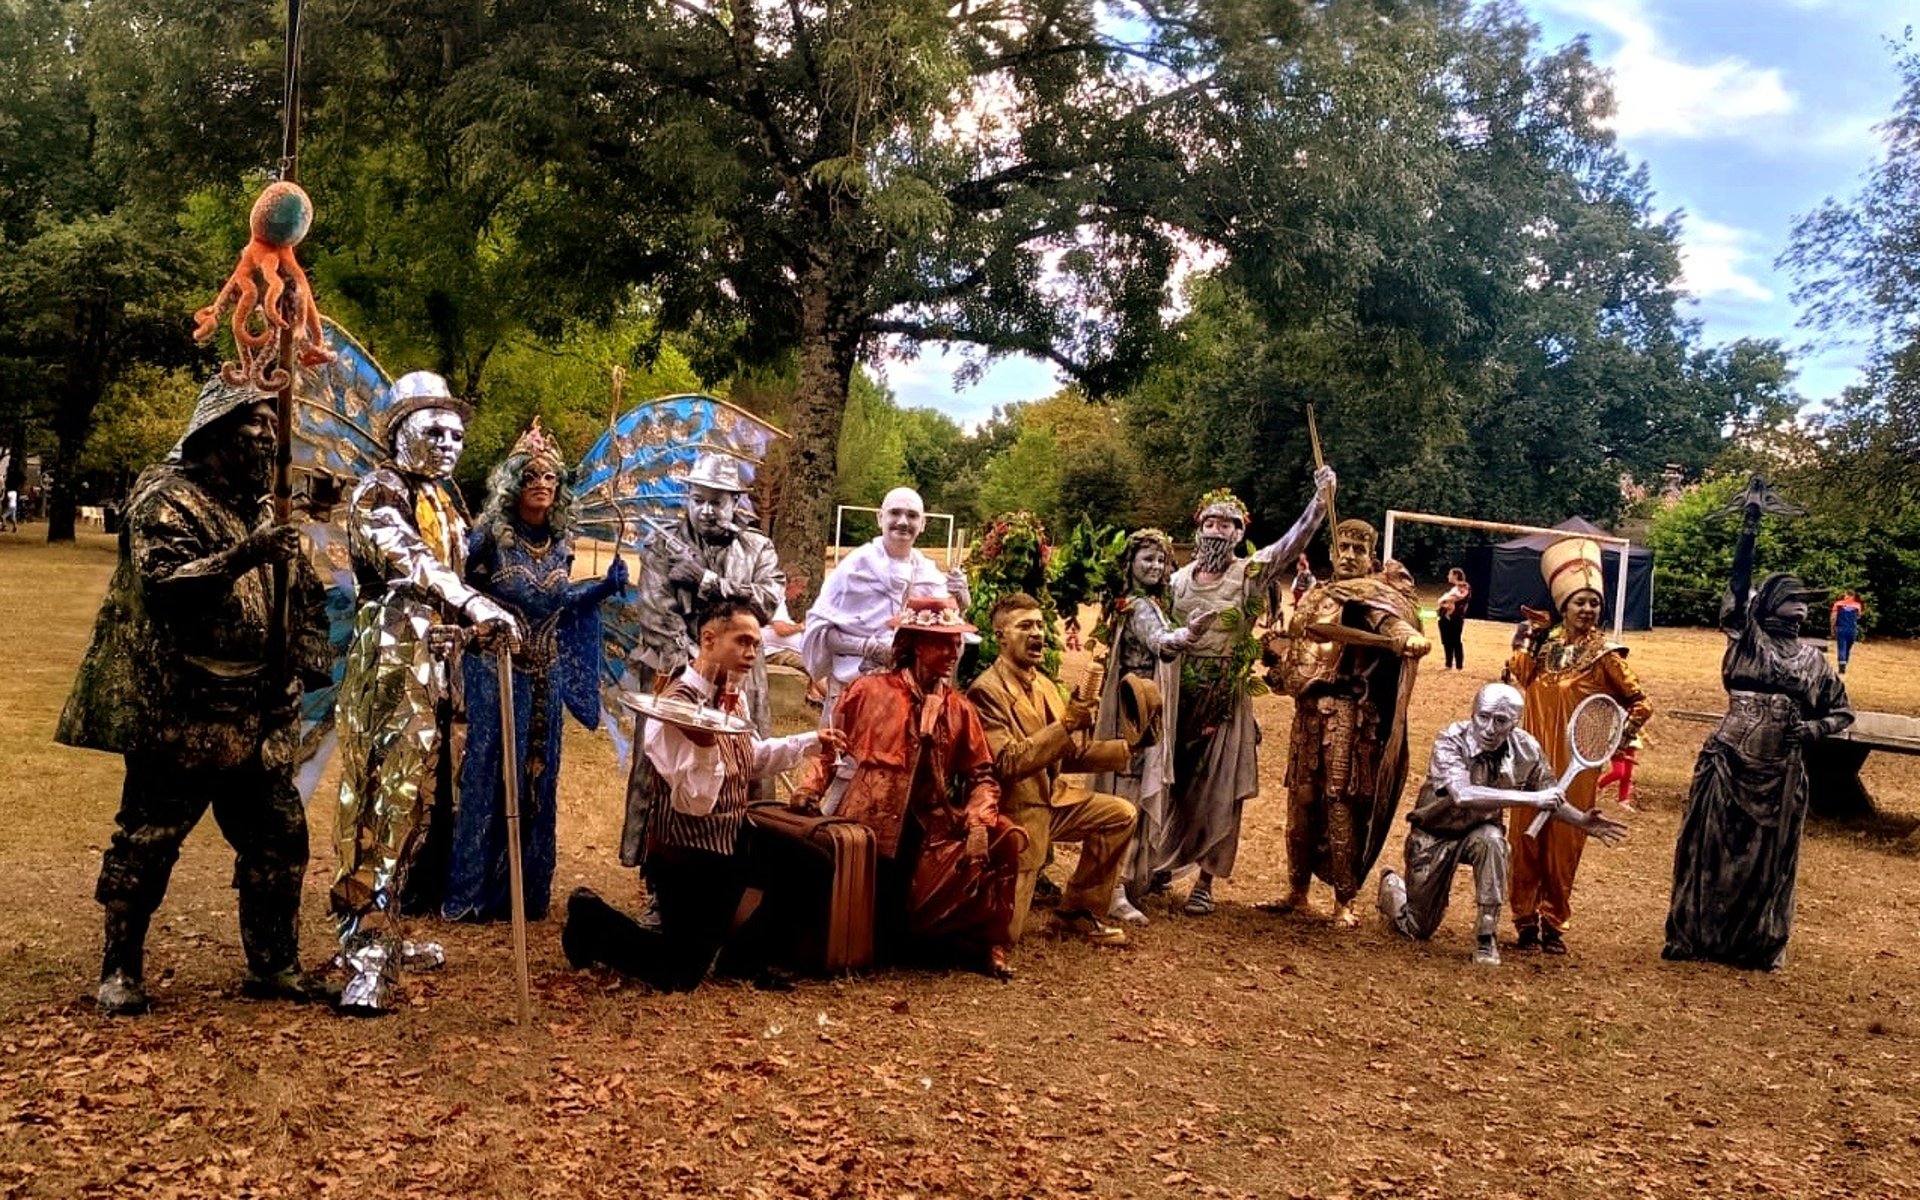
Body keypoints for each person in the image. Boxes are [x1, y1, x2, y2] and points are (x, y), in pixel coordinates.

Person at [57, 378, 337, 1014]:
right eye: (256, 425)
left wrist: (307, 657)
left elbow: (305, 592)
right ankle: (120, 970)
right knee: (148, 839)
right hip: (182, 705)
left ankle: (275, 964)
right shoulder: (168, 498)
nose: (270, 437)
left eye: (273, 425)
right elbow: (163, 585)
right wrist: (244, 555)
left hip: (257, 709)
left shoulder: (263, 507)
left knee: (279, 838)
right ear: (214, 435)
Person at [329, 371, 521, 1015]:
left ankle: (389, 924)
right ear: (399, 431)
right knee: (380, 799)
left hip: (437, 669)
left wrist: (466, 632)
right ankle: (363, 947)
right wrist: (472, 603)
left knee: (424, 803)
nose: (448, 444)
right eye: (433, 431)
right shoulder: (378, 490)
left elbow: (449, 575)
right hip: (387, 665)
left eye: (457, 435)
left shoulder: (448, 501)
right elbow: (410, 562)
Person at [562, 598, 842, 990]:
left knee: (813, 863)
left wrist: (811, 741)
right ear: (708, 639)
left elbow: (749, 758)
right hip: (689, 854)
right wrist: (706, 743)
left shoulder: (733, 694)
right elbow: (695, 801)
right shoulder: (673, 707)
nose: (750, 654)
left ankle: (743, 960)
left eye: (757, 646)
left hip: (732, 836)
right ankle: (589, 918)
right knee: (678, 973)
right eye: (742, 642)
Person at [442, 419, 627, 924]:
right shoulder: (487, 539)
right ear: (512, 485)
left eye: (550, 479)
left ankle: (522, 893)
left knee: (537, 777)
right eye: (531, 477)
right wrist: (478, 625)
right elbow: (451, 589)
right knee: (489, 768)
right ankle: (471, 893)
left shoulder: (562, 543)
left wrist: (602, 588)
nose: (542, 485)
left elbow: (557, 600)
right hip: (494, 667)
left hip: (547, 670)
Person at [1664, 479, 1853, 970]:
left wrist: (1814, 730)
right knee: (1710, 848)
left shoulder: (1814, 661)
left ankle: (1753, 945)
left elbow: (1841, 711)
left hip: (1782, 769)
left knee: (1766, 859)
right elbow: (1736, 585)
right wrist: (1749, 527)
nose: (1803, 608)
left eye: (1806, 603)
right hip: (1729, 760)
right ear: (1770, 605)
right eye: (1793, 600)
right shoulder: (1747, 640)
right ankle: (1694, 936)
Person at [791, 593, 1027, 978]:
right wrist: (810, 790)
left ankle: (989, 945)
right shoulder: (869, 691)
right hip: (870, 825)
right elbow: (828, 747)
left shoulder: (958, 707)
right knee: (874, 929)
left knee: (1004, 835)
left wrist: (980, 821)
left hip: (931, 825)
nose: (954, 651)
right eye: (944, 642)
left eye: (957, 642)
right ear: (915, 644)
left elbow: (982, 774)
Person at [1160, 470, 1336, 917]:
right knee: (1169, 779)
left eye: (1229, 523)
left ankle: (1205, 880)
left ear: (1241, 532)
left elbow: (1290, 545)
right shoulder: (1177, 580)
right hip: (1179, 689)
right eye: (1211, 522)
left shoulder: (1249, 574)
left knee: (1218, 787)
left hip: (1226, 693)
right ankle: (1161, 862)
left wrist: (1319, 501)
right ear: (1198, 528)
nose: (1219, 530)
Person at [618, 451, 785, 880]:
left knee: (743, 766)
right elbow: (656, 615)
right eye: (699, 499)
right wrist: (703, 667)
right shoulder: (661, 545)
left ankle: (742, 867)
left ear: (735, 502)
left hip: (743, 674)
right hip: (677, 672)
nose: (708, 510)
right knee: (660, 773)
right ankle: (659, 875)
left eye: (718, 500)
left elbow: (765, 602)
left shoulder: (758, 546)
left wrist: (708, 583)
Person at [1379, 683, 1627, 965]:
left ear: (1514, 723)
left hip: (1480, 829)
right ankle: (1391, 887)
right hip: (1435, 832)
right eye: (1483, 717)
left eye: (1500, 721)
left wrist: (1581, 820)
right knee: (1417, 928)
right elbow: (1463, 794)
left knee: (1493, 842)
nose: (1489, 728)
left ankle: (1486, 937)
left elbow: (1549, 799)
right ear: (1472, 713)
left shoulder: (1527, 749)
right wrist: (1532, 799)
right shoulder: (1449, 740)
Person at [1272, 520, 1429, 927]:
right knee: (1301, 801)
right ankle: (1297, 890)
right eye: (1343, 547)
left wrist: (1405, 637)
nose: (1348, 556)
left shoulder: (1370, 598)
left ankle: (1345, 899)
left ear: (1371, 558)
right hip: (1306, 714)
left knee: (1338, 801)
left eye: (1359, 551)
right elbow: (1302, 645)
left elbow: (1391, 623)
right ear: (1330, 551)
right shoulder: (1316, 596)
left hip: (1345, 715)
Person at [1504, 537, 1651, 955]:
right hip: (1531, 764)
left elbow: (1641, 702)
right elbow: (1520, 674)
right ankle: (1524, 922)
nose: (1587, 610)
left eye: (1594, 603)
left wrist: (1613, 739)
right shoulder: (1546, 648)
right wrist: (1530, 632)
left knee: (1563, 844)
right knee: (1525, 840)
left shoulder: (1606, 655)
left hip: (1576, 766)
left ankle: (1552, 922)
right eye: (1579, 603)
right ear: (1564, 607)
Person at [967, 593, 1138, 946]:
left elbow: (1067, 752)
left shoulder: (1044, 683)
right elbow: (1008, 764)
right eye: (1025, 626)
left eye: (1041, 625)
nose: (1038, 634)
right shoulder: (985, 691)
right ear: (1000, 636)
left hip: (1054, 801)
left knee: (1120, 814)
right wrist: (1066, 725)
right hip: (1018, 812)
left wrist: (1127, 749)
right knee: (1005, 936)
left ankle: (1077, 913)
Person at [1089, 528, 1214, 923]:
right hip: (1135, 719)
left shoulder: (1141, 604)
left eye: (1161, 560)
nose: (1156, 566)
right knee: (1126, 798)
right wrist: (1190, 634)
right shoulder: (1140, 607)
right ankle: (1116, 886)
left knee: (1127, 796)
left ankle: (1121, 879)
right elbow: (1161, 642)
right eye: (1147, 558)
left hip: (1139, 714)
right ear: (1130, 563)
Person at [802, 486, 968, 719]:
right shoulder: (854, 568)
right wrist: (869, 648)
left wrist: (960, 603)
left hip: (910, 699)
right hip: (854, 692)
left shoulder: (929, 573)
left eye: (912, 515)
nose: (903, 521)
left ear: (923, 523)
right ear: (880, 518)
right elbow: (821, 632)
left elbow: (948, 638)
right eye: (895, 513)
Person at [1436, 567, 1470, 671]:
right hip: (1445, 616)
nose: (1448, 576)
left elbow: (1459, 597)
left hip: (1455, 617)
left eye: (1450, 574)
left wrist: (1444, 600)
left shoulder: (1464, 587)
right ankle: (1448, 663)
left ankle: (1459, 665)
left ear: (1455, 575)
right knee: (1446, 640)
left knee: (1455, 640)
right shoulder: (1454, 588)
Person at [1830, 591, 1863, 675]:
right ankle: (1845, 663)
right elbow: (1859, 616)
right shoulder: (1857, 606)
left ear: (1847, 596)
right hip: (1852, 629)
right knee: (1848, 648)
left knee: (1841, 647)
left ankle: (1842, 666)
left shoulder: (1838, 604)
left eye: (1845, 595)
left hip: (1841, 628)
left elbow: (1833, 617)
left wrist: (1833, 628)